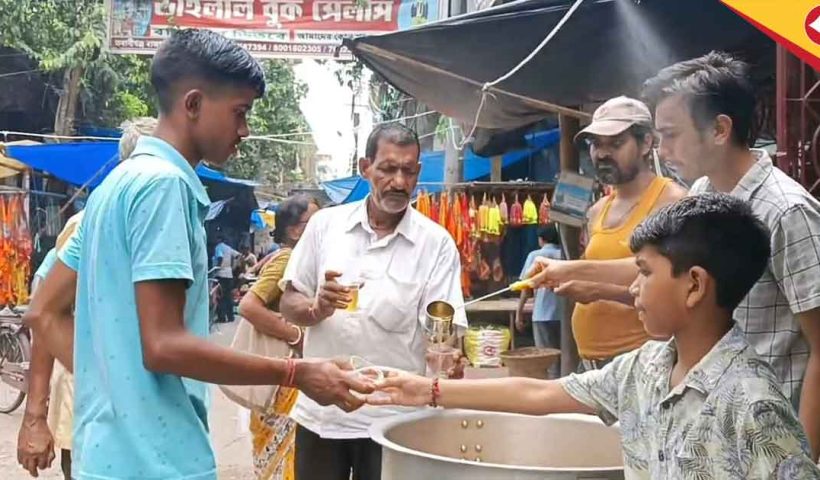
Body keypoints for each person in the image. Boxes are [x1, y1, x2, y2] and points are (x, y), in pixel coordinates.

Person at [23, 29, 371, 480]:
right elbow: (164, 345)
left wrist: (113, 382)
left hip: (105, 458)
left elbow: (42, 311)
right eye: (239, 112)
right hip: (158, 463)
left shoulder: (116, 186)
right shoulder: (165, 187)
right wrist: (296, 372)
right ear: (193, 104)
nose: (245, 130)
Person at [368, 194, 820, 479]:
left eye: (644, 273)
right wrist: (427, 390)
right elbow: (540, 394)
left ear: (695, 286)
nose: (634, 288)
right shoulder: (644, 368)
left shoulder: (755, 406)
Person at [530, 52, 820, 460]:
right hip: (708, 432)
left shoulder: (787, 211)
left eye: (671, 135)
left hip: (766, 441)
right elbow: (659, 277)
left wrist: (800, 459)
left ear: (719, 129)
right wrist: (576, 275)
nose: (662, 151)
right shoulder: (702, 193)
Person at [278, 123, 468, 480]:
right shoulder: (325, 226)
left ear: (418, 173)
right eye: (388, 169)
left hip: (395, 419)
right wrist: (317, 308)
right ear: (365, 167)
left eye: (408, 171)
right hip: (323, 413)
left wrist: (446, 358)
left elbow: (442, 331)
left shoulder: (436, 243)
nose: (399, 182)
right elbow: (289, 303)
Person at [17, 117, 157, 479]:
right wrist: (34, 417)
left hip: (148, 403)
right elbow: (46, 313)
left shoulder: (165, 225)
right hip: (89, 395)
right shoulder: (88, 224)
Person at [557, 96, 686, 370]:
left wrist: (597, 290)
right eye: (596, 145)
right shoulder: (597, 210)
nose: (602, 154)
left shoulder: (672, 201)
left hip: (643, 362)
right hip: (590, 363)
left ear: (646, 143)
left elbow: (673, 288)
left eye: (616, 144)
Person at [238, 195, 319, 480]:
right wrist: (295, 335)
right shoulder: (287, 259)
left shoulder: (303, 260)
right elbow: (248, 306)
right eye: (315, 222)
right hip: (284, 380)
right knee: (284, 459)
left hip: (290, 377)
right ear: (294, 230)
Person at [515, 224, 564, 377]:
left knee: (545, 357)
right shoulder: (565, 255)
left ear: (541, 239)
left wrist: (519, 312)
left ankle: (551, 384)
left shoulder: (535, 256)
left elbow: (526, 286)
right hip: (565, 314)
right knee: (565, 355)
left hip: (542, 313)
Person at [214, 233, 241, 323]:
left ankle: (222, 317)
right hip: (229, 274)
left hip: (221, 274)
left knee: (220, 296)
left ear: (219, 239)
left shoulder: (218, 247)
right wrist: (233, 266)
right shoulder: (228, 248)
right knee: (228, 296)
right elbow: (238, 255)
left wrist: (217, 268)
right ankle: (230, 317)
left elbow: (220, 257)